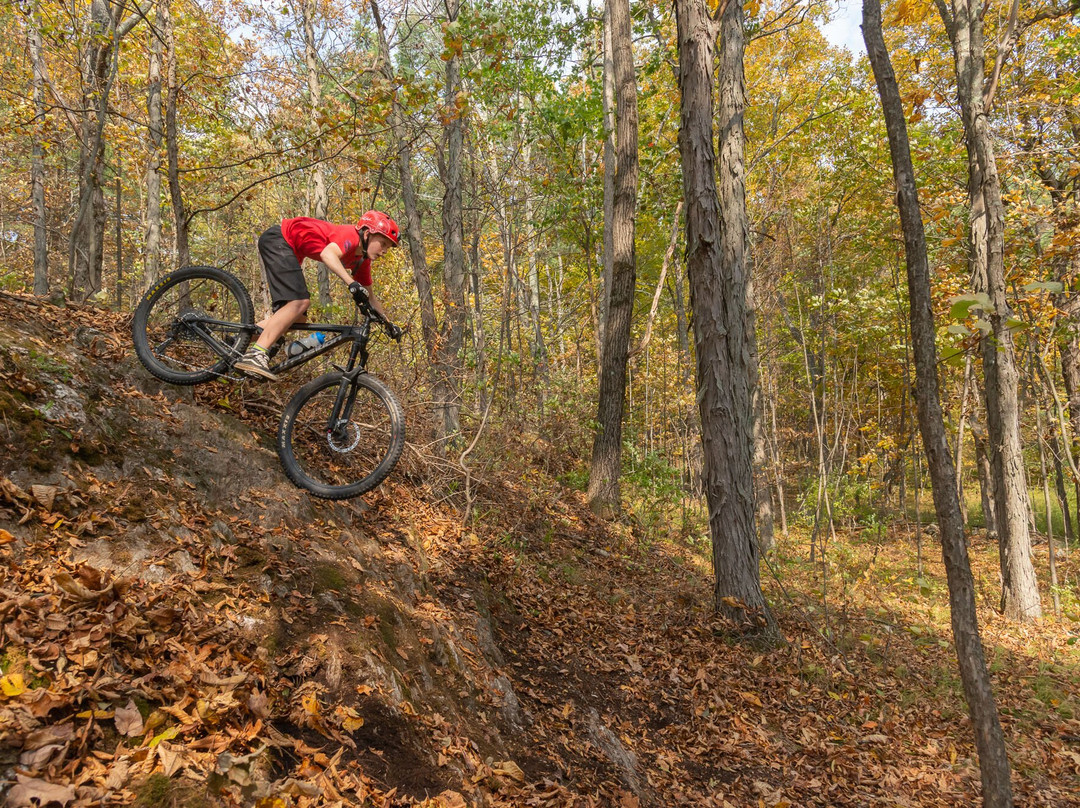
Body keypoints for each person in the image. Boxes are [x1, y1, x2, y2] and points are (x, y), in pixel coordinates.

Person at [235, 210, 404, 381]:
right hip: (279, 239)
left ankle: (237, 339)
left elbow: (371, 298)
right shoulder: (350, 236)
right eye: (383, 243)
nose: (384, 251)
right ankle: (256, 354)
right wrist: (351, 283)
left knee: (298, 319)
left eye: (388, 248)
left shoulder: (362, 260)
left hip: (289, 250)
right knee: (299, 302)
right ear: (367, 234)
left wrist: (388, 323)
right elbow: (327, 254)